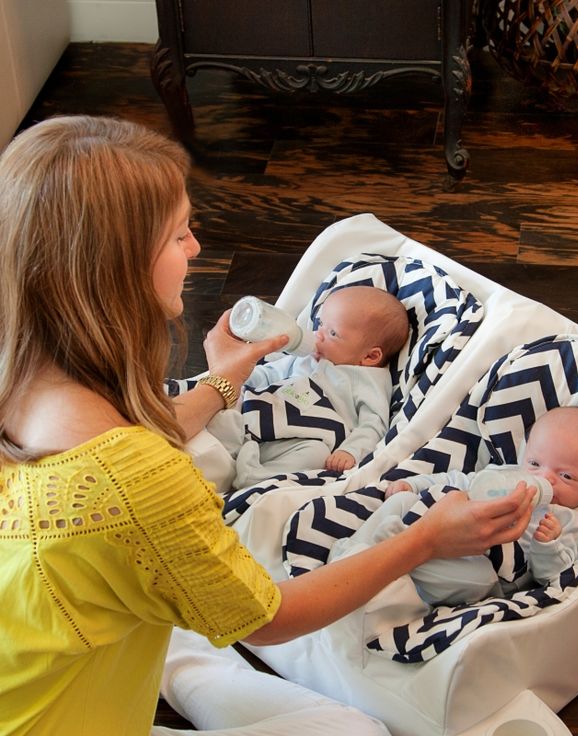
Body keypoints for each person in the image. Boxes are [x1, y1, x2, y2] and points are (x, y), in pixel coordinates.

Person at [0, 115, 536, 736]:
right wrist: (424, 540)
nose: (196, 248)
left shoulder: (29, 380)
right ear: (116, 271)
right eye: (179, 236)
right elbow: (274, 617)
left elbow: (126, 447)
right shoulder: (136, 483)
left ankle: (182, 660)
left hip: (35, 666)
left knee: (159, 605)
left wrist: (222, 381)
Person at [337, 406, 578, 606]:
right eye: (534, 463)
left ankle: (388, 567)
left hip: (484, 568)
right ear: (524, 456)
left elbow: (552, 577)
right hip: (438, 528)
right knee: (401, 501)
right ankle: (352, 551)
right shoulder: (508, 475)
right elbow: (460, 480)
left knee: (480, 582)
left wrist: (549, 544)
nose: (544, 479)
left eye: (565, 476)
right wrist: (415, 484)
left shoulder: (570, 519)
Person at [189, 285, 409, 492]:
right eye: (320, 324)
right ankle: (222, 447)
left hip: (306, 436)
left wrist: (350, 450)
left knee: (316, 455)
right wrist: (238, 378)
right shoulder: (308, 358)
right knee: (231, 406)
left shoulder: (369, 379)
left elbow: (373, 424)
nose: (318, 335)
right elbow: (270, 373)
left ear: (370, 356)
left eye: (332, 333)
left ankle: (255, 477)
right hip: (263, 413)